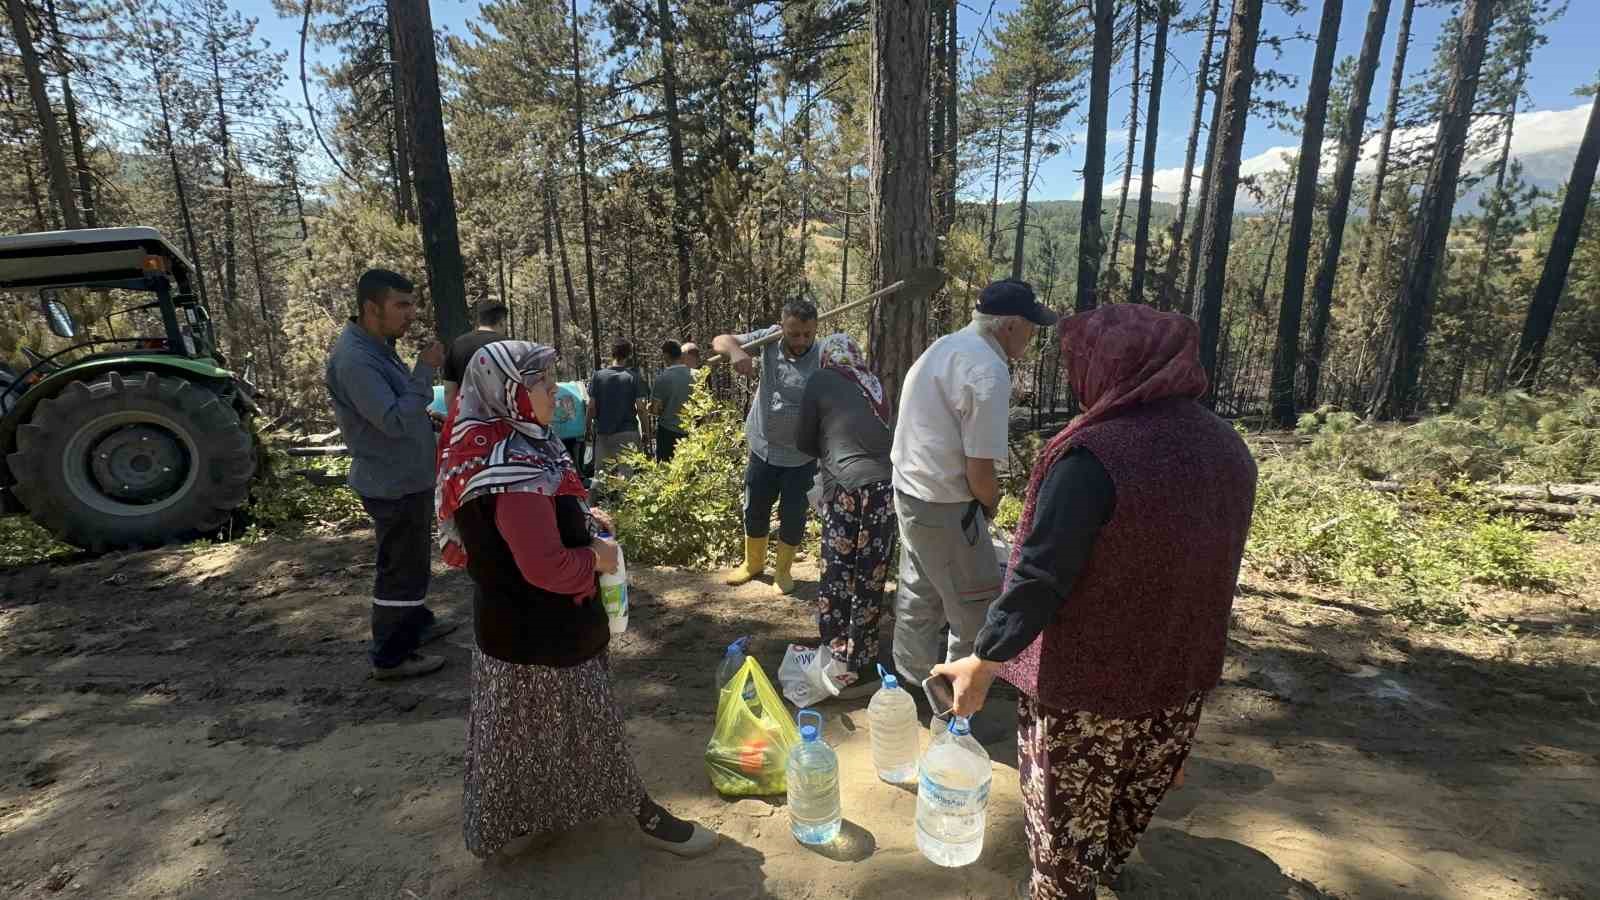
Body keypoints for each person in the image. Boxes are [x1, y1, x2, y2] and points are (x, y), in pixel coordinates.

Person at [930, 304, 1259, 900]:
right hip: (1178, 674)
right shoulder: (1227, 446)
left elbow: (1039, 575)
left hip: (1089, 690)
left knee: (1065, 833)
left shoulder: (1094, 456)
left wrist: (985, 659)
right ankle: (1105, 869)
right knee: (1128, 802)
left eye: (1077, 362)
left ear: (1106, 365)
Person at [435, 340, 718, 862]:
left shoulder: (493, 443)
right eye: (541, 384)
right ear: (510, 392)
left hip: (508, 634)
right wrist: (598, 558)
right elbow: (547, 567)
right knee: (591, 730)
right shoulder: (513, 471)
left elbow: (533, 525)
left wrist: (586, 523)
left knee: (521, 738)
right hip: (546, 634)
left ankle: (518, 820)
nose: (553, 394)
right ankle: (642, 814)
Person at [890, 279, 1053, 733]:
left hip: (911, 492)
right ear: (1010, 326)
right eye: (1031, 328)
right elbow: (981, 472)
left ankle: (905, 689)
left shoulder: (947, 346)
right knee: (975, 608)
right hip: (945, 503)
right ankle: (955, 714)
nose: (1033, 336)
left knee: (920, 591)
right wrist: (991, 504)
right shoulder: (988, 371)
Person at [325, 268, 458, 680]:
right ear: (370, 308)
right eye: (401, 305)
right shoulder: (355, 360)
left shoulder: (377, 347)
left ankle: (416, 623)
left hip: (406, 478)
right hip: (391, 483)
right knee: (400, 569)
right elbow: (392, 421)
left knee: (412, 561)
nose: (410, 314)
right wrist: (423, 372)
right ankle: (391, 656)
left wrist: (427, 418)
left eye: (412, 304)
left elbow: (400, 410)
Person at [795, 333, 896, 695]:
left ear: (828, 357)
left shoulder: (821, 378)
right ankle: (863, 659)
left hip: (846, 490)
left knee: (839, 573)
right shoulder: (874, 385)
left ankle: (836, 654)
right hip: (886, 489)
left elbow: (802, 440)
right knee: (869, 576)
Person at [712, 298, 820, 594]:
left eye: (807, 334)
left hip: (801, 455)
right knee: (755, 508)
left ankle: (783, 571)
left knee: (793, 513)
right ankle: (753, 564)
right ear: (783, 327)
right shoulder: (770, 339)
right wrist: (736, 352)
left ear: (815, 330)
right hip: (763, 448)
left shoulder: (823, 355)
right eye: (794, 333)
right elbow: (721, 340)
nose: (801, 341)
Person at [588, 339, 649, 478]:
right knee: (627, 477)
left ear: (612, 354)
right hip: (628, 434)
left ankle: (593, 500)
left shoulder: (598, 376)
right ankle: (624, 500)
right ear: (628, 355)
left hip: (603, 434)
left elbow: (591, 407)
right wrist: (645, 431)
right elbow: (641, 408)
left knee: (600, 476)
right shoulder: (633, 377)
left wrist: (587, 429)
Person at [443, 300, 509, 410]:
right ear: (502, 321)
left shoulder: (458, 344)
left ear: (479, 320)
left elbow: (449, 390)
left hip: (467, 417)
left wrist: (454, 419)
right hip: (501, 419)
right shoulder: (510, 346)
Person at [651, 340, 694, 463]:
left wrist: (650, 408)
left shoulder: (662, 378)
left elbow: (655, 409)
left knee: (666, 472)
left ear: (666, 356)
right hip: (690, 432)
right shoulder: (696, 375)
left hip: (667, 432)